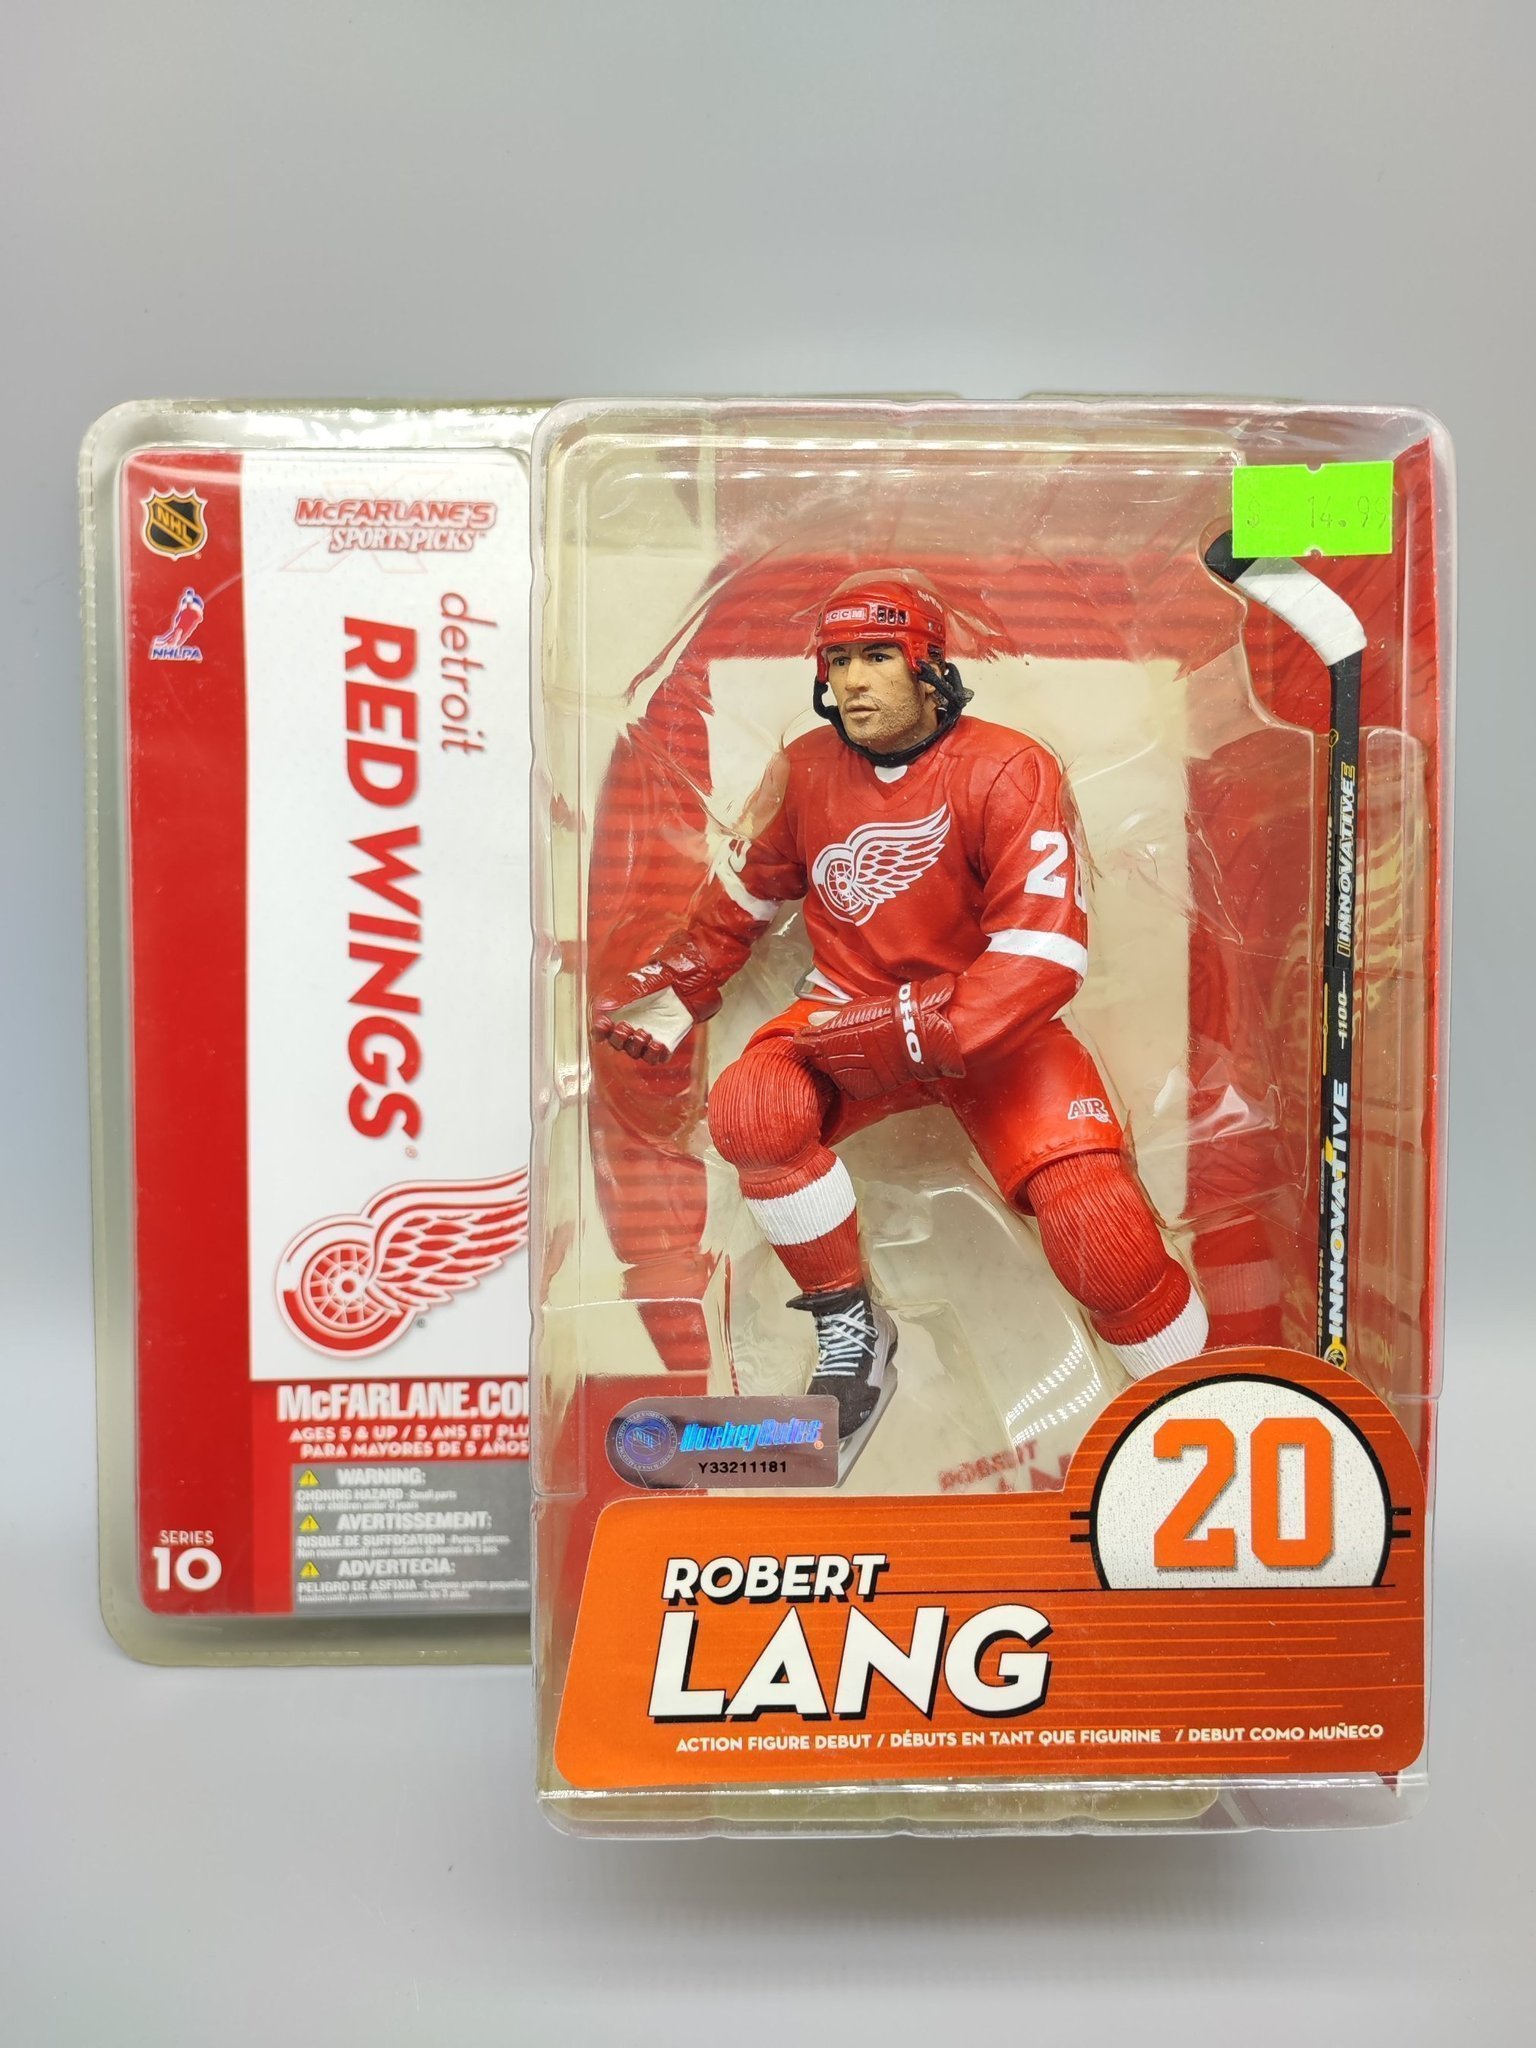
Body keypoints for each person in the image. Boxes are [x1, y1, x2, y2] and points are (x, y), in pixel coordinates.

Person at [594, 572, 1207, 1463]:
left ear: (927, 664)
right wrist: (673, 994)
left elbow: (1043, 953)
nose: (852, 680)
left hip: (993, 1033)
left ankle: (1200, 1412)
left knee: (1102, 1237)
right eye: (838, 660)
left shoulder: (1006, 766)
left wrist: (914, 1028)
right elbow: (748, 894)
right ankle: (850, 1331)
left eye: (877, 656)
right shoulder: (808, 768)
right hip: (848, 1012)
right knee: (753, 1108)